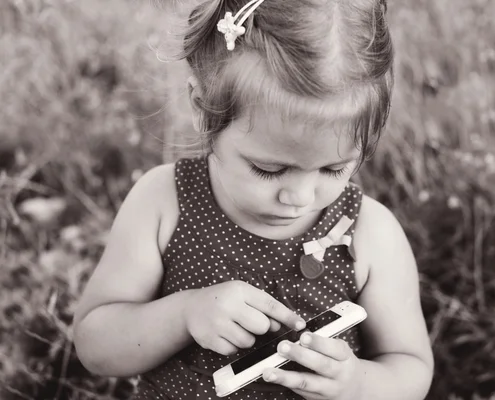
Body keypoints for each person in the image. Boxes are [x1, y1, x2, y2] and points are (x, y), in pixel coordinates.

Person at [72, 0, 434, 399]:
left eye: (333, 170)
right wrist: (185, 314)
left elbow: (410, 369)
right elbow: (95, 347)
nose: (298, 196)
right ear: (202, 108)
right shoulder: (165, 202)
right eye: (269, 169)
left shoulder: (371, 233)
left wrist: (357, 384)